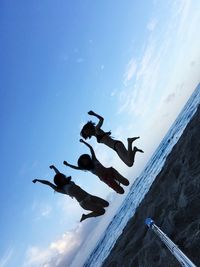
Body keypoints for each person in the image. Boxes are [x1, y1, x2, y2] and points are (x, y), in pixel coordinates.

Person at [32, 165, 109, 222]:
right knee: (102, 211)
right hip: (84, 203)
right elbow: (48, 183)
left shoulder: (69, 181)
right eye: (60, 179)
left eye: (62, 176)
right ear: (59, 182)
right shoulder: (62, 190)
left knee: (106, 204)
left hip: (89, 196)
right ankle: (86, 216)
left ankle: (96, 208)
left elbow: (58, 173)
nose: (62, 177)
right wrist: (38, 180)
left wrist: (54, 167)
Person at [63, 139, 129, 194]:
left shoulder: (94, 159)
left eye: (84, 159)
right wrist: (68, 164)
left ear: (87, 158)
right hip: (107, 179)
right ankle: (117, 184)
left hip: (110, 171)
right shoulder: (88, 168)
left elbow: (91, 148)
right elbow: (76, 168)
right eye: (83, 162)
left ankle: (118, 181)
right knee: (121, 191)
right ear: (83, 164)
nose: (85, 161)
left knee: (126, 183)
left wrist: (83, 142)